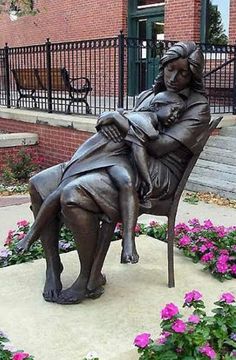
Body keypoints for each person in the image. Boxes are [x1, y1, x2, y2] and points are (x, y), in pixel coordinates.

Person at [28, 41, 210, 304]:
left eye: (183, 73)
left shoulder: (198, 107)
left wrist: (121, 122)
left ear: (193, 75)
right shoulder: (148, 95)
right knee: (39, 184)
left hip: (156, 173)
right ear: (164, 67)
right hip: (118, 156)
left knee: (73, 193)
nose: (174, 78)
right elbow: (124, 127)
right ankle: (52, 265)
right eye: (171, 69)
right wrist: (109, 117)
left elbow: (159, 147)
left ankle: (88, 279)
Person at [16, 91, 186, 264]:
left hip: (116, 156)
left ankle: (128, 242)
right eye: (173, 110)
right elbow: (138, 149)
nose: (175, 116)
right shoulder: (145, 118)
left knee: (126, 182)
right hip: (99, 153)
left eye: (178, 114)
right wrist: (147, 179)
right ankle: (31, 235)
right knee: (60, 191)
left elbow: (130, 136)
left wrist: (116, 116)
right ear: (157, 106)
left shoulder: (145, 120)